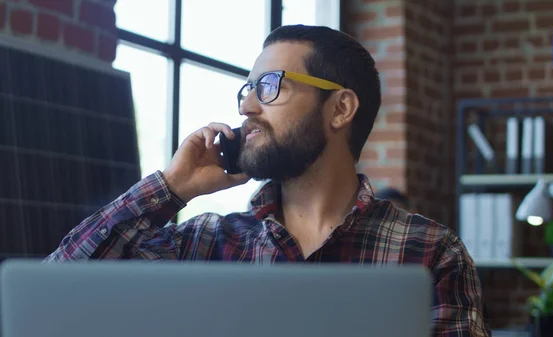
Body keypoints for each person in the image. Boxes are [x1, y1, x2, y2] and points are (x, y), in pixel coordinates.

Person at [44, 25, 490, 336]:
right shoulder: (206, 244)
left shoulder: (431, 254)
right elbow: (55, 292)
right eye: (248, 88)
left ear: (340, 109)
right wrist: (173, 186)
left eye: (271, 85)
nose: (247, 107)